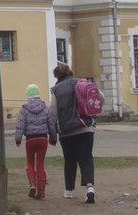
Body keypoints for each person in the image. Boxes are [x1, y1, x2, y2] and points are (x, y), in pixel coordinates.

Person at [49, 63, 96, 204]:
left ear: (57, 75)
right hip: (86, 128)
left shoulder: (56, 90)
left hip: (66, 133)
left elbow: (52, 114)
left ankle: (69, 191)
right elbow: (100, 98)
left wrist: (52, 135)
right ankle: (90, 189)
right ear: (70, 72)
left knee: (69, 161)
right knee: (86, 158)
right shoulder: (82, 83)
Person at [15, 84, 57, 200]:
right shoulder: (45, 108)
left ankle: (32, 185)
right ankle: (41, 192)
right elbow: (51, 125)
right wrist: (53, 138)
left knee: (30, 163)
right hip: (43, 139)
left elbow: (20, 125)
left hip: (30, 139)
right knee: (40, 164)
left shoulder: (24, 109)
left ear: (28, 95)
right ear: (38, 95)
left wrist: (18, 138)